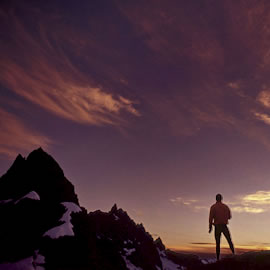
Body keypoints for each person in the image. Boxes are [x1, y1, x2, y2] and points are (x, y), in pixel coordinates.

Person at [209, 194, 235, 260]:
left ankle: (218, 259)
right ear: (221, 199)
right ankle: (234, 254)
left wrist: (210, 227)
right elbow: (229, 217)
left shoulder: (213, 207)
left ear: (216, 199)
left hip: (217, 227)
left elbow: (210, 218)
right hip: (224, 226)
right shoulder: (226, 207)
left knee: (218, 243)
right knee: (229, 241)